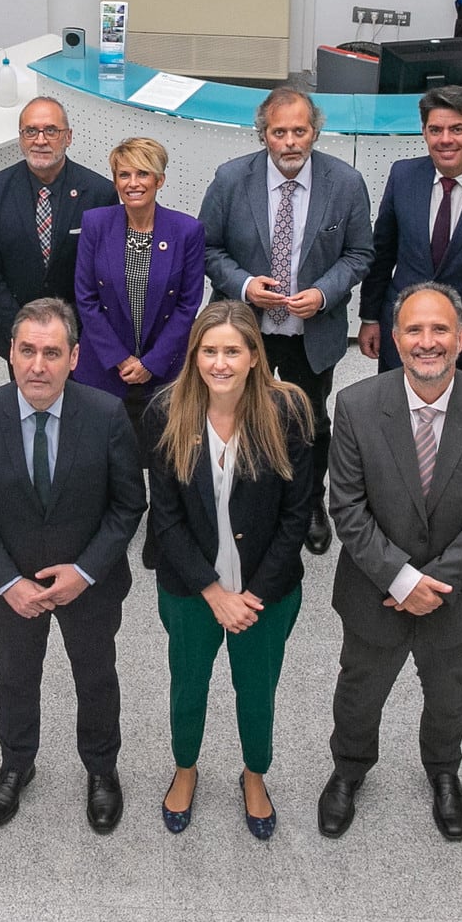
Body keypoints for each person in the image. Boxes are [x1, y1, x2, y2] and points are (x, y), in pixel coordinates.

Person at [319, 282, 462, 842]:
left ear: (460, 337)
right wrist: (402, 579)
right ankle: (349, 770)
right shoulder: (357, 406)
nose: (427, 341)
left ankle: (444, 771)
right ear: (396, 338)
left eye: (439, 330)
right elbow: (348, 507)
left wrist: (434, 582)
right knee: (359, 688)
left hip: (456, 597)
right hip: (374, 590)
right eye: (414, 330)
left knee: (449, 690)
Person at [0, 298, 145, 834]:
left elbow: (129, 504)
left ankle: (102, 769)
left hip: (91, 587)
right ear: (10, 353)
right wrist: (7, 581)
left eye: (52, 352)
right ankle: (16, 763)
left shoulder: (106, 416)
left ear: (75, 357)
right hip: (13, 588)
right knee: (14, 678)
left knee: (96, 677)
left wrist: (84, 573)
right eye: (28, 351)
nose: (39, 365)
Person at [145, 302, 316, 841]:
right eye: (209, 351)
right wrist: (213, 592)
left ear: (253, 357)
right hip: (190, 589)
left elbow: (296, 517)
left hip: (267, 591)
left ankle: (254, 774)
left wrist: (251, 594)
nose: (220, 363)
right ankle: (186, 768)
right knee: (188, 683)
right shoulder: (166, 411)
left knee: (257, 688)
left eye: (232, 351)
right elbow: (165, 520)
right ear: (194, 355)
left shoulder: (288, 412)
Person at [201, 88, 375, 555]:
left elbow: (361, 254)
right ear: (264, 135)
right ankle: (236, 499)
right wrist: (243, 286)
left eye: (300, 131)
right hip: (245, 328)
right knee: (235, 414)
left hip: (310, 332)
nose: (291, 142)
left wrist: (324, 293)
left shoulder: (345, 182)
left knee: (311, 422)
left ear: (315, 131)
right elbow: (209, 248)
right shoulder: (231, 179)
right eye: (280, 132)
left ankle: (311, 502)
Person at [357, 86, 462, 374]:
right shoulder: (402, 176)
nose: (445, 139)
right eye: (436, 130)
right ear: (424, 132)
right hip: (402, 333)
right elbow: (383, 254)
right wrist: (370, 317)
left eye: (457, 129)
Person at [72, 136, 205, 454]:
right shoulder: (95, 223)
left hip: (163, 368)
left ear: (160, 180)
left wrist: (151, 362)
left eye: (143, 174)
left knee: (162, 456)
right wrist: (120, 357)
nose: (133, 183)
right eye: (124, 175)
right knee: (102, 455)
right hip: (102, 366)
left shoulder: (187, 231)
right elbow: (86, 297)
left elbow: (188, 305)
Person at [0, 97, 115, 362]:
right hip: (14, 331)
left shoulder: (99, 193)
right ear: (21, 137)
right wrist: (22, 327)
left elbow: (103, 272)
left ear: (68, 137)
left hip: (79, 333)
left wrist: (71, 327)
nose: (40, 140)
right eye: (30, 131)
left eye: (51, 131)